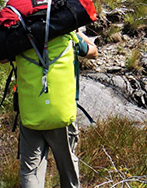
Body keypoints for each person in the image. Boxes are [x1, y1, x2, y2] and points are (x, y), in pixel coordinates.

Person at [15, 30, 98, 188]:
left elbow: (3, 58)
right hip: (61, 111)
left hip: (30, 110)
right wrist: (76, 31)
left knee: (30, 171)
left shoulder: (20, 33)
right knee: (67, 168)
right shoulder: (65, 32)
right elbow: (93, 51)